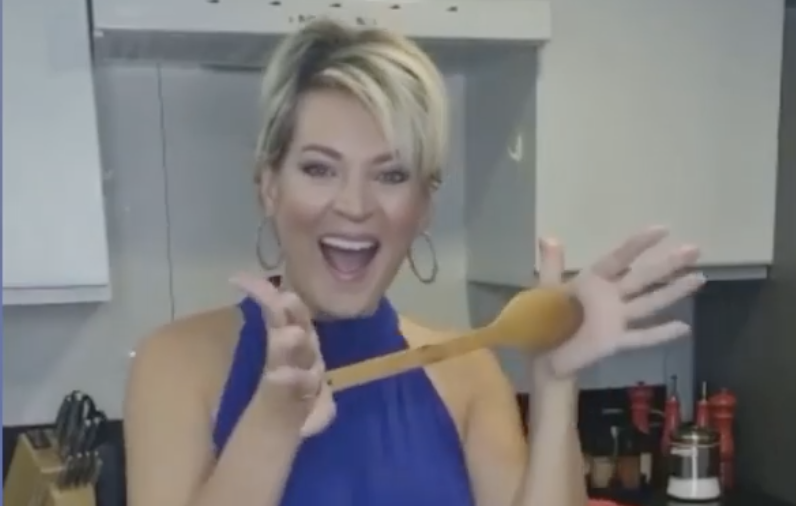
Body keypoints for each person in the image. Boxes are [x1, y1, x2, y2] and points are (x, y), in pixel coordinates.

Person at [124, 18, 705, 506]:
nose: (355, 205)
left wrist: (555, 384)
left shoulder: (469, 372)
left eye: (392, 174)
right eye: (320, 168)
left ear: (424, 206)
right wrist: (272, 422)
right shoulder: (177, 366)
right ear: (269, 186)